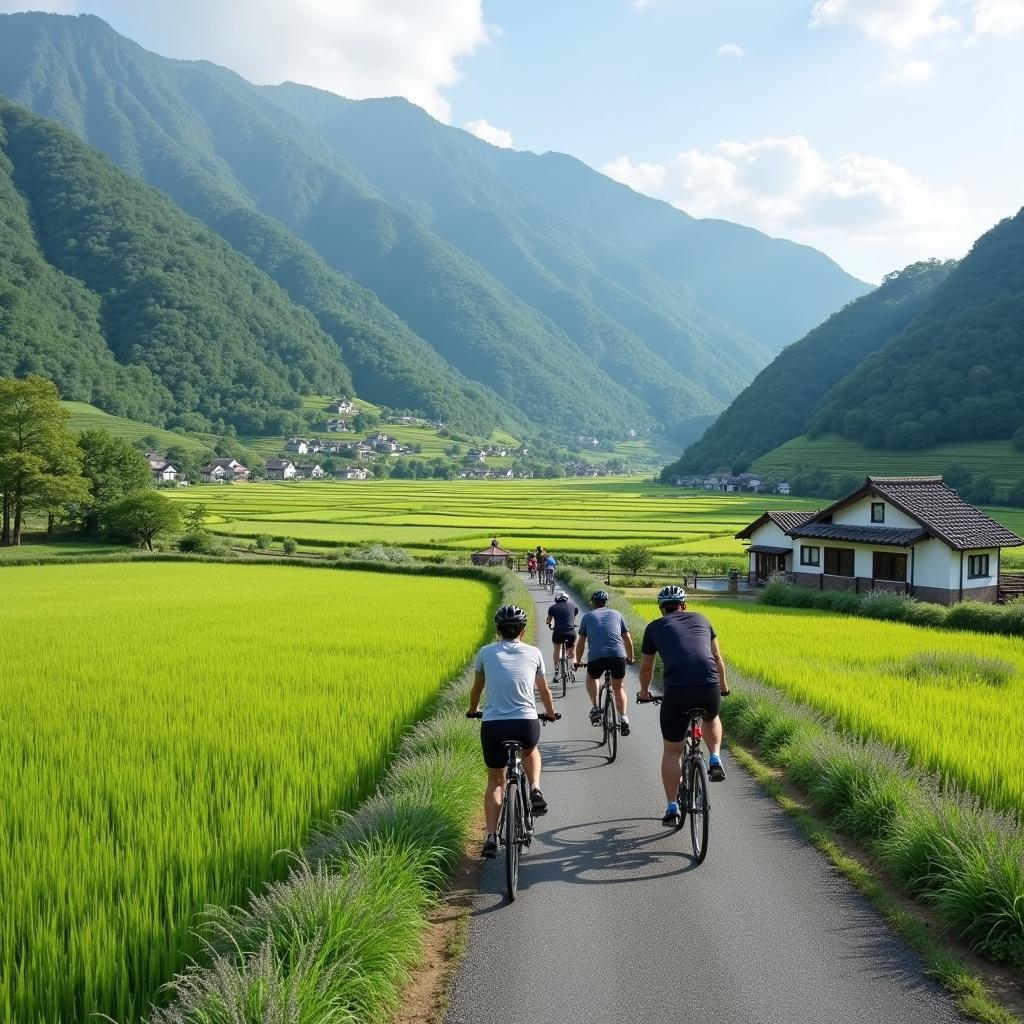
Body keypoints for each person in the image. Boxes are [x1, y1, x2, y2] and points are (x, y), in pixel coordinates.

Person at [467, 604, 558, 859]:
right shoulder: (534, 653)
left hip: (494, 725)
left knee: (496, 780)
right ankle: (536, 788)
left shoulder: (485, 652)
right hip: (525, 723)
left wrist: (473, 710)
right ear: (523, 630)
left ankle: (491, 837)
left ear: (498, 630)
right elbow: (544, 691)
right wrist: (550, 712)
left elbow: (476, 689)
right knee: (530, 751)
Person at [637, 585, 731, 827]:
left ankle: (672, 807)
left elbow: (646, 668)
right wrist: (723, 686)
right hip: (708, 686)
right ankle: (715, 759)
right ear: (684, 606)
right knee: (711, 717)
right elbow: (718, 659)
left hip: (678, 691)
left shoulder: (654, 627)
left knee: (672, 751)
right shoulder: (702, 618)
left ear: (661, 609)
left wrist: (645, 692)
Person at [574, 590, 634, 736]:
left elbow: (581, 642)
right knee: (618, 688)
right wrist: (630, 658)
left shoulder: (588, 617)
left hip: (596, 657)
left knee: (592, 677)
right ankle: (624, 718)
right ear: (607, 602)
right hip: (618, 656)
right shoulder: (617, 614)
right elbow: (627, 640)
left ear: (593, 603)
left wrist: (578, 660)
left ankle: (595, 707)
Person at [546, 590, 579, 670]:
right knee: (571, 649)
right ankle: (573, 663)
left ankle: (556, 667)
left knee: (557, 650)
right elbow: (573, 618)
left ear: (557, 599)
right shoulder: (574, 606)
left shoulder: (552, 607)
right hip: (571, 632)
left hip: (558, 633)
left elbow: (548, 621)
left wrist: (550, 624)